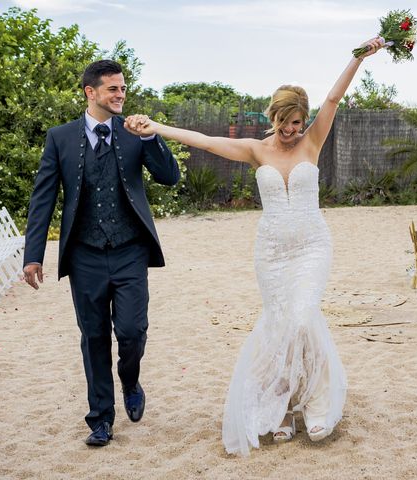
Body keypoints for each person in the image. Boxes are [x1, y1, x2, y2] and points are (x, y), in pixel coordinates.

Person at [125, 37, 385, 455]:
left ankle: (315, 404)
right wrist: (157, 128)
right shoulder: (254, 150)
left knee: (302, 319)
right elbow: (201, 140)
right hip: (272, 254)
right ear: (275, 116)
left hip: (311, 248)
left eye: (298, 123)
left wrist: (358, 57)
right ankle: (280, 408)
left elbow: (335, 97)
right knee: (279, 326)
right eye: (286, 122)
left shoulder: (313, 142)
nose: (291, 130)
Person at [23, 60, 180, 447]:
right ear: (90, 92)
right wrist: (34, 254)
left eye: (123, 88)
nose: (121, 95)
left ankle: (130, 379)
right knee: (93, 336)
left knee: (131, 332)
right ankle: (101, 420)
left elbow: (169, 176)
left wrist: (149, 138)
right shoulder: (59, 138)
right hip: (85, 255)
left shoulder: (133, 134)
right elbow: (43, 199)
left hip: (129, 251)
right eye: (113, 89)